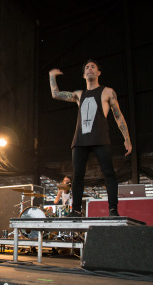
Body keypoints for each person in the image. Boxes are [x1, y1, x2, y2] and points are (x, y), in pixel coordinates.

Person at [49, 59, 132, 217]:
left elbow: (118, 116)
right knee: (78, 175)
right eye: (87, 67)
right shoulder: (79, 94)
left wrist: (126, 138)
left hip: (100, 137)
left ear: (98, 72)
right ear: (83, 75)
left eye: (93, 67)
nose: (89, 69)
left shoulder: (108, 92)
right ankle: (76, 210)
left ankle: (113, 210)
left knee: (108, 173)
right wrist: (52, 76)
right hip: (80, 140)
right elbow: (55, 94)